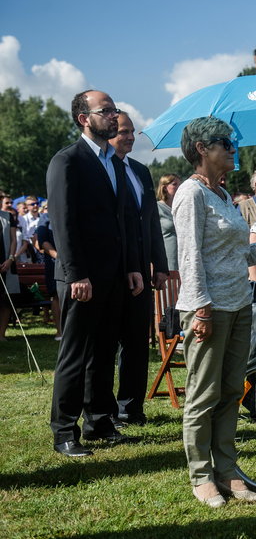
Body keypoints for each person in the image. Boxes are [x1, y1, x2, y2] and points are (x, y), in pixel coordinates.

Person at [174, 116, 256, 507]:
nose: (233, 148)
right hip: (209, 308)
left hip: (239, 303)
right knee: (203, 394)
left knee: (231, 392)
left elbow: (238, 252)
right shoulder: (190, 195)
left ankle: (227, 470)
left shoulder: (222, 195)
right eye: (225, 142)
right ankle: (201, 476)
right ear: (202, 149)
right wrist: (201, 309)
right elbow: (189, 259)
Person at [47, 90, 144, 457]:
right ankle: (64, 430)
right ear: (83, 118)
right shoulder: (67, 162)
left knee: (104, 352)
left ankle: (100, 420)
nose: (115, 116)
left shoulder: (116, 163)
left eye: (115, 109)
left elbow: (125, 222)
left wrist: (133, 267)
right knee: (76, 354)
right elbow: (63, 223)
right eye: (106, 111)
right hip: (82, 276)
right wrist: (76, 275)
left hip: (116, 275)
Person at [109, 112, 169, 426]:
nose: (130, 137)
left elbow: (152, 225)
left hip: (141, 272)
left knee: (136, 341)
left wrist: (160, 265)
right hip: (111, 270)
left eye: (133, 131)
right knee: (107, 345)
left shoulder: (141, 171)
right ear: (108, 134)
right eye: (123, 131)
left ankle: (130, 408)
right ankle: (104, 410)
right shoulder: (102, 170)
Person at [34, 213, 61, 340]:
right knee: (56, 296)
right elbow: (42, 242)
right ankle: (60, 332)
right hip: (54, 263)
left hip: (75, 261)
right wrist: (59, 258)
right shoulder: (45, 218)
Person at [0, 191, 20, 341]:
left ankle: (2, 334)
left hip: (7, 264)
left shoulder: (9, 217)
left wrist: (10, 259)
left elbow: (14, 240)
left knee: (6, 300)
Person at [156, 174, 181, 272]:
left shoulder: (181, 208)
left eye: (180, 185)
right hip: (167, 259)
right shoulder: (156, 208)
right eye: (175, 184)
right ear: (165, 188)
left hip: (184, 258)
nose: (179, 188)